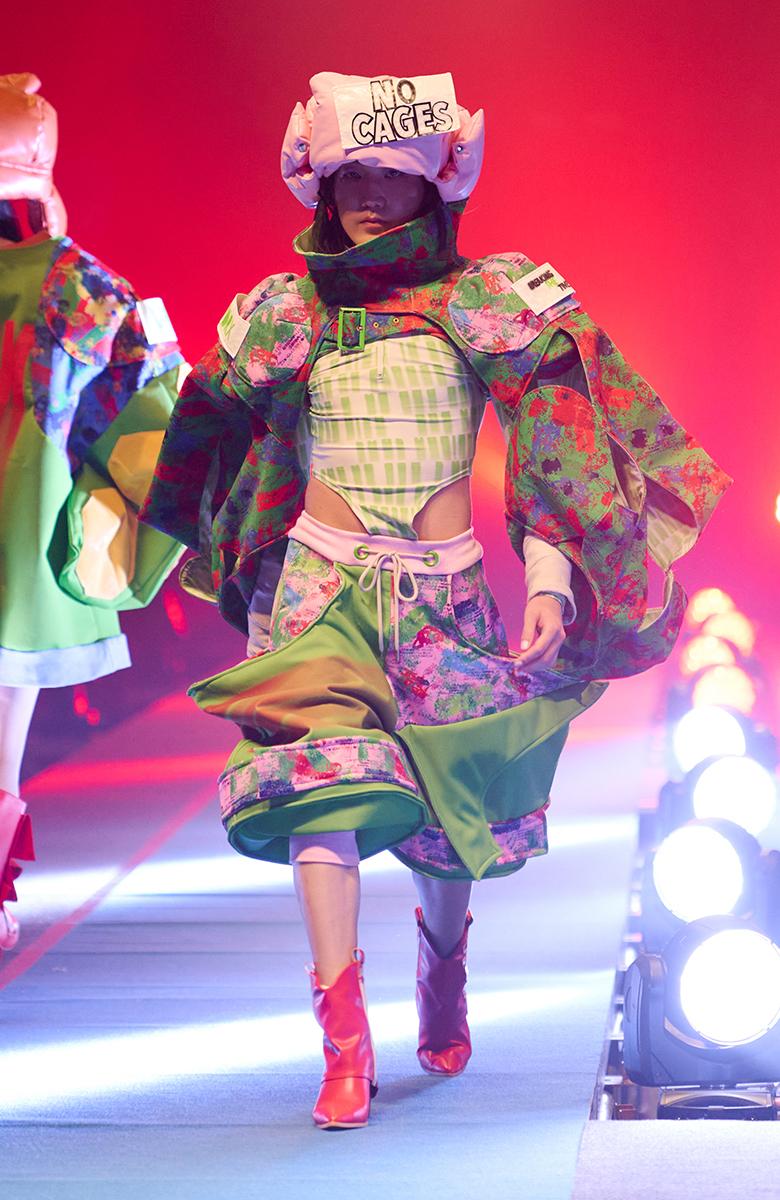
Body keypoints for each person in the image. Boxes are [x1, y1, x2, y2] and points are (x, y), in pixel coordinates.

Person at [140, 71, 729, 1129]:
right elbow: (214, 437)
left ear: (436, 185)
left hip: (444, 598)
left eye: (394, 176)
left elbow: (559, 451)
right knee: (316, 790)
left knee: (448, 819)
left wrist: (549, 581)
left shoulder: (485, 304)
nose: (371, 195)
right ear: (321, 183)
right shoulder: (285, 315)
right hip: (318, 593)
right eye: (353, 175)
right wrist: (213, 564)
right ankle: (343, 1042)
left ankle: (442, 964)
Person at [0, 73, 185, 952]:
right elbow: (152, 408)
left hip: (24, 522)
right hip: (25, 532)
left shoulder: (84, 286)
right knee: (7, 718)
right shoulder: (84, 286)